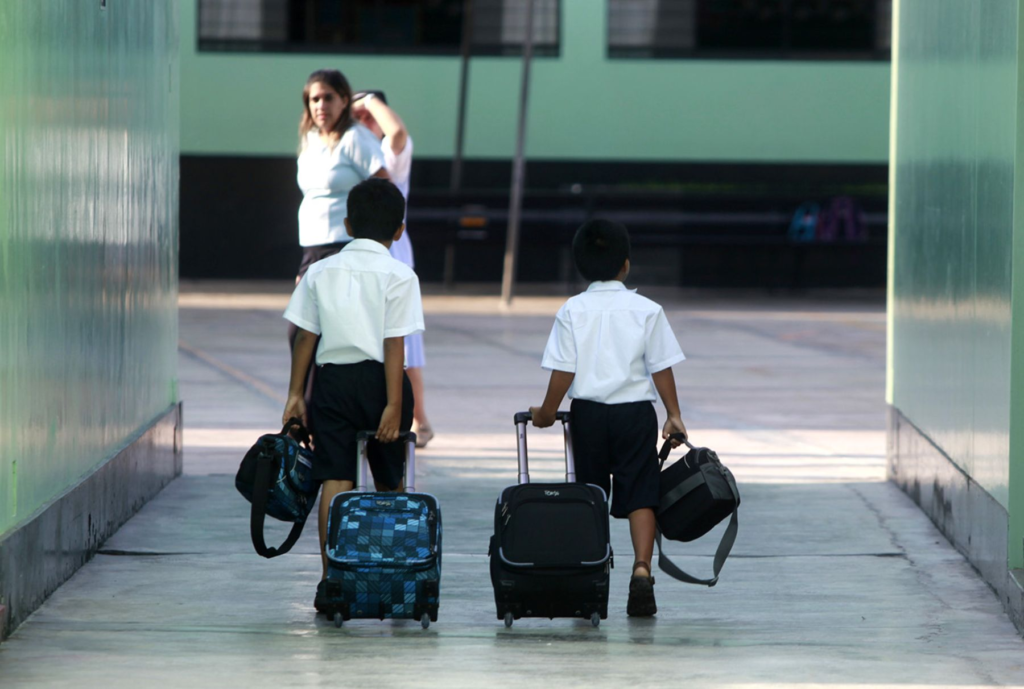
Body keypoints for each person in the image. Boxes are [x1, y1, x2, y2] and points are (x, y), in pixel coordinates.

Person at [528, 219, 688, 618]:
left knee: (590, 493)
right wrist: (673, 414)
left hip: (588, 415)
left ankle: (590, 575)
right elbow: (661, 366)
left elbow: (563, 371)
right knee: (641, 493)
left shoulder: (572, 310)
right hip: (635, 414)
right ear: (626, 265)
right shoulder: (647, 310)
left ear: (580, 265)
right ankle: (642, 570)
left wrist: (545, 413)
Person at [282, 178, 423, 613]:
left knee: (336, 479)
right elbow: (394, 344)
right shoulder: (401, 275)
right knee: (390, 481)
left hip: (332, 384)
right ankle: (395, 574)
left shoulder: (320, 271)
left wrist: (295, 395)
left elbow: (305, 337)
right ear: (399, 230)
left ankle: (332, 580)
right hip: (383, 383)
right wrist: (394, 405)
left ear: (346, 224)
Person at [290, 70, 390, 421]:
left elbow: (384, 187)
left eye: (328, 97)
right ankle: (304, 412)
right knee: (301, 331)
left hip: (344, 248)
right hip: (312, 251)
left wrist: (373, 242)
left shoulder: (356, 138)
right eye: (314, 99)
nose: (320, 105)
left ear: (344, 100)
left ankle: (322, 415)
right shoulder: (310, 140)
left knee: (324, 336)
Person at [352, 90, 434, 448]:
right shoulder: (350, 150)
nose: (363, 122)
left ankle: (419, 418)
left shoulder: (389, 154)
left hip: (393, 259)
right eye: (357, 116)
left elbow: (397, 133)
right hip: (356, 258)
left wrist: (368, 100)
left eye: (369, 116)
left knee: (406, 344)